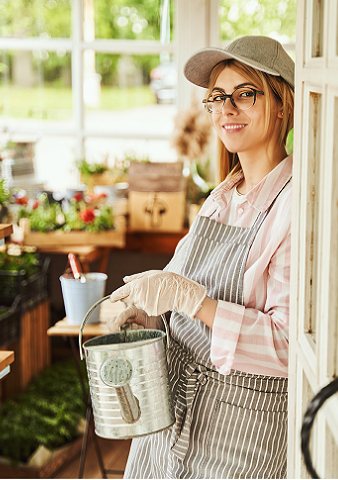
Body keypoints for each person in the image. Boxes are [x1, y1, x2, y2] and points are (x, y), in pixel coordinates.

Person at [108, 35, 294, 479]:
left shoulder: (295, 206)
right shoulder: (220, 199)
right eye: (217, 97)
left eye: (245, 94)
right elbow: (175, 297)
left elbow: (290, 349)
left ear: (282, 102)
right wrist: (147, 315)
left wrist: (196, 302)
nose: (227, 109)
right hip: (169, 419)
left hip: (239, 432)